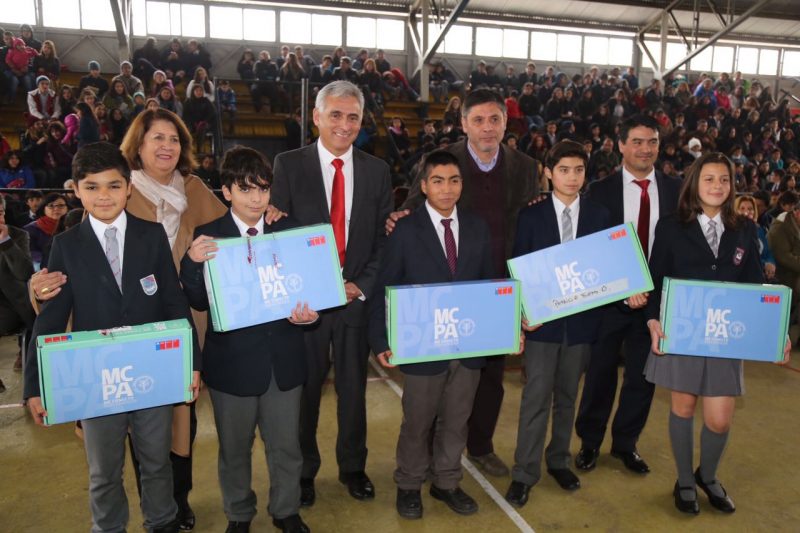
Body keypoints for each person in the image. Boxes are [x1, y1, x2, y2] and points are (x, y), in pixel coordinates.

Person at [30, 108, 228, 531]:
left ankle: (162, 522)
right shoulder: (67, 245)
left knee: (157, 462)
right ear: (77, 192)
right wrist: (36, 386)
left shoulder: (150, 233)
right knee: (104, 473)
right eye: (92, 187)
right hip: (97, 379)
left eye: (113, 186)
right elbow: (50, 320)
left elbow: (175, 304)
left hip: (151, 374)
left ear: (126, 187)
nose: (104, 196)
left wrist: (190, 363)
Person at [388, 89, 541, 478]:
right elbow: (412, 203)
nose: (487, 128)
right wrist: (398, 216)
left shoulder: (525, 166)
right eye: (479, 120)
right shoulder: (443, 160)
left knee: (489, 375)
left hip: (499, 286)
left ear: (506, 123)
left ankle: (481, 445)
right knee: (436, 374)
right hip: (446, 283)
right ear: (463, 123)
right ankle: (422, 454)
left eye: (495, 120)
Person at [645, 151, 791, 515]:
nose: (717, 186)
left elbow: (756, 285)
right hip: (683, 332)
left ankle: (706, 476)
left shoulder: (745, 228)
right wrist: (652, 320)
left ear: (732, 185)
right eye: (709, 179)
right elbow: (655, 277)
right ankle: (683, 480)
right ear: (695, 183)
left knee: (719, 418)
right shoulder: (670, 226)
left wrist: (778, 330)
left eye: (724, 180)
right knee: (683, 407)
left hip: (727, 336)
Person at [180, 146, 316, 533]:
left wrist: (311, 315)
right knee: (234, 450)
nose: (256, 199)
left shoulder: (288, 231)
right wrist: (191, 263)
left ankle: (286, 510)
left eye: (262, 189)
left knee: (286, 447)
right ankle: (239, 514)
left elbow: (309, 289)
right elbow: (196, 299)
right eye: (245, 190)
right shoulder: (208, 236)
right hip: (232, 364)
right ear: (227, 192)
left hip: (283, 360)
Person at [270, 81, 393, 507]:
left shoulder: (377, 171)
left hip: (355, 300)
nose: (344, 124)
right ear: (317, 117)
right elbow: (278, 235)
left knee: (354, 392)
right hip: (306, 306)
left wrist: (360, 286)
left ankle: (353, 468)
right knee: (305, 394)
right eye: (335, 115)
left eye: (353, 117)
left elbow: (382, 241)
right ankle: (304, 471)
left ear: (362, 122)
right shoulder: (288, 165)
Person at [370, 150, 494, 519]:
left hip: (469, 342)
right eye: (437, 181)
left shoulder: (477, 226)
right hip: (422, 345)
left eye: (454, 180)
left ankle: (446, 482)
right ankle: (409, 484)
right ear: (423, 186)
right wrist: (381, 341)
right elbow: (384, 287)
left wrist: (502, 330)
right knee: (418, 419)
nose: (447, 188)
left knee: (457, 418)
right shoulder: (405, 229)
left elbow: (490, 285)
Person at [574, 114, 682, 475]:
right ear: (620, 144)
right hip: (609, 301)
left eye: (651, 141)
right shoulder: (600, 191)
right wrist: (623, 288)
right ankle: (590, 442)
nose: (645, 149)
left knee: (643, 378)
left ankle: (625, 444)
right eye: (637, 141)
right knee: (600, 375)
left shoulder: (676, 190)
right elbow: (590, 248)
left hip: (656, 302)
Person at [505, 140, 610, 508]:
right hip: (543, 326)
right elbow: (519, 268)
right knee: (536, 398)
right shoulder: (530, 216)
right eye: (563, 170)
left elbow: (608, 268)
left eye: (578, 170)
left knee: (568, 397)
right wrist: (522, 314)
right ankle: (524, 472)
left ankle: (559, 460)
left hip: (582, 325)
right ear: (548, 173)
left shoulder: (600, 215)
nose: (571, 177)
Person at [0, 194, 35, 376]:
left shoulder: (18, 235)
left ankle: (25, 352)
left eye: (0, 213)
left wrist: (5, 243)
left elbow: (24, 273)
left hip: (12, 304)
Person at [24, 192, 66, 269]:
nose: (56, 209)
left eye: (61, 205)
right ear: (43, 208)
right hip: (42, 266)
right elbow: (31, 252)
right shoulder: (31, 229)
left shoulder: (72, 226)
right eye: (51, 206)